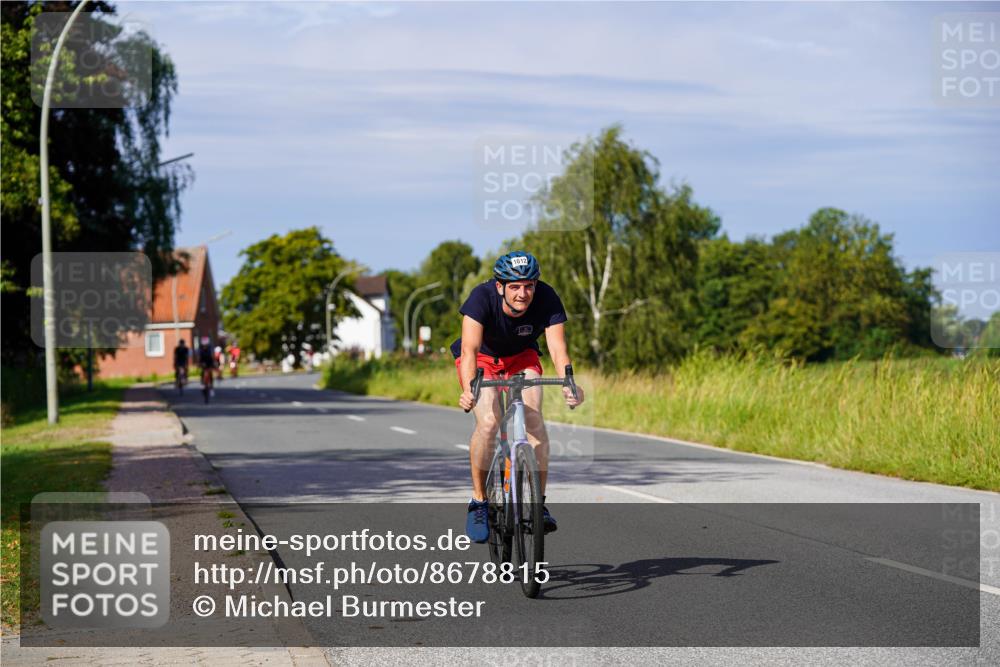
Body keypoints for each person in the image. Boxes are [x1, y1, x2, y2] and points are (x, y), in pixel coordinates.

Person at [452, 251, 584, 543]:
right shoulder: (480, 298)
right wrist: (468, 389)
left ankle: (538, 505)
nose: (523, 293)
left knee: (534, 419)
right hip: (484, 358)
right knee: (488, 422)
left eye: (529, 285)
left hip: (521, 357)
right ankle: (478, 502)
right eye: (514, 286)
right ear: (500, 286)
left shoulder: (547, 298)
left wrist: (569, 383)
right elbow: (469, 351)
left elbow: (557, 348)